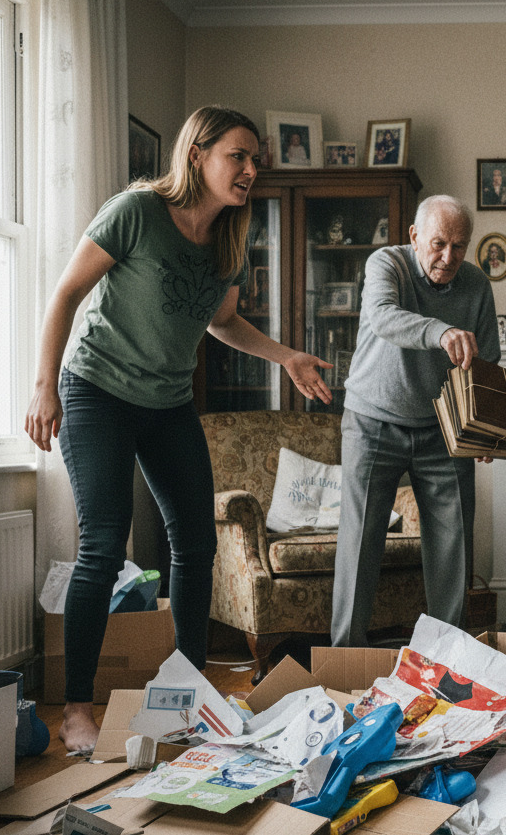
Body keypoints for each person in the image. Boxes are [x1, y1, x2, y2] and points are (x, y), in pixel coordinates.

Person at [24, 106, 333, 753]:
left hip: (167, 403)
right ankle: (76, 707)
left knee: (195, 544)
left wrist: (286, 357)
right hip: (97, 392)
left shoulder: (228, 240)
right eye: (237, 156)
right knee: (104, 544)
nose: (250, 170)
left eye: (255, 161)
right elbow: (65, 294)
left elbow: (222, 322)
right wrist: (44, 384)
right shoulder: (137, 212)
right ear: (198, 154)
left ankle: (189, 691)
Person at [330, 195, 500, 647]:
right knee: (359, 543)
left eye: (459, 246)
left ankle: (447, 659)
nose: (448, 257)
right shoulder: (387, 264)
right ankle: (344, 657)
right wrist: (440, 332)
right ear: (414, 236)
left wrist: (485, 429)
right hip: (372, 421)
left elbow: (486, 362)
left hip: (443, 430)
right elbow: (383, 318)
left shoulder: (477, 285)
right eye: (439, 244)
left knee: (453, 546)